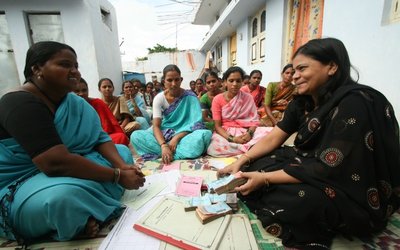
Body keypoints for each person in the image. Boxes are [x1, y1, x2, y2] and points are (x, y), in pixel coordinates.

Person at [218, 38, 400, 249]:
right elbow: (273, 136)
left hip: (348, 183)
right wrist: (243, 159)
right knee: (256, 164)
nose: (294, 76)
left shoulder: (355, 103)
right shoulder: (303, 101)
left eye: (302, 69)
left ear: (331, 67)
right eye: (293, 70)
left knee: (302, 202)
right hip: (311, 165)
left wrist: (265, 179)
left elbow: (330, 167)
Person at [0, 41, 145, 243]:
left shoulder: (74, 102)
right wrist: (117, 175)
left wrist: (121, 166)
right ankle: (73, 217)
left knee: (121, 151)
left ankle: (88, 207)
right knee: (63, 198)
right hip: (21, 181)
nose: (75, 72)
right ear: (37, 69)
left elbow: (99, 137)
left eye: (76, 66)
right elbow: (54, 163)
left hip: (69, 165)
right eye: (65, 65)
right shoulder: (18, 102)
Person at [131, 64, 212, 163]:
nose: (173, 84)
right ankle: (172, 152)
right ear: (163, 81)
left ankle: (166, 153)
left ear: (181, 80)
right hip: (165, 132)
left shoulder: (191, 97)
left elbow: (196, 124)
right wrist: (164, 145)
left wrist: (176, 138)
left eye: (177, 80)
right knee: (136, 136)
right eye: (169, 80)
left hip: (184, 135)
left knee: (205, 134)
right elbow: (156, 126)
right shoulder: (159, 98)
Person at [207, 66, 272, 157]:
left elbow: (254, 121)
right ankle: (251, 149)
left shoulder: (248, 97)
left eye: (238, 81)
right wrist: (233, 139)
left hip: (246, 130)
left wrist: (249, 133)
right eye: (231, 80)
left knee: (271, 133)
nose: (235, 84)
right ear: (225, 82)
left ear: (242, 82)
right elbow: (217, 126)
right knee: (214, 147)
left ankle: (244, 148)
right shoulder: (217, 99)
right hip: (226, 132)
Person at [73, 78, 129, 146]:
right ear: (100, 89)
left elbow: (107, 126)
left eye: (84, 90)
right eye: (77, 91)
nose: (81, 94)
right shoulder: (67, 106)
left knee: (121, 136)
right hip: (80, 141)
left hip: (100, 137)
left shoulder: (98, 103)